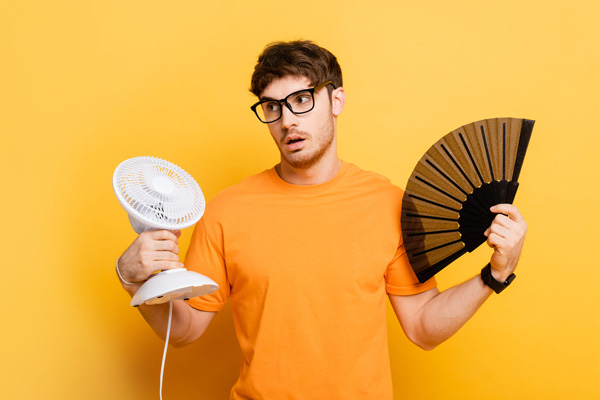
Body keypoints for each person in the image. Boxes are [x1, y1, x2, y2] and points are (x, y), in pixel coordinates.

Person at [116, 40, 528, 399]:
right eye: (272, 107)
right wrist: (134, 279)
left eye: (301, 100)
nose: (287, 120)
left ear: (336, 100)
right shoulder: (227, 209)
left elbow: (423, 328)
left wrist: (494, 274)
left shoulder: (387, 203)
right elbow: (185, 332)